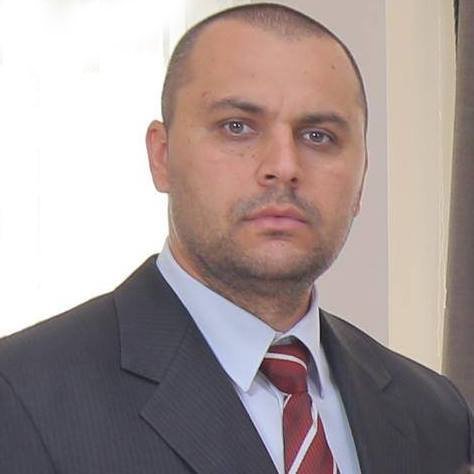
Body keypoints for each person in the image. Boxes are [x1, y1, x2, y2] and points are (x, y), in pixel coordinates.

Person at [0, 3, 472, 474]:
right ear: (162, 157)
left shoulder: (434, 414)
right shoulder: (21, 396)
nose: (283, 167)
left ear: (362, 176)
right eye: (237, 127)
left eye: (318, 136)